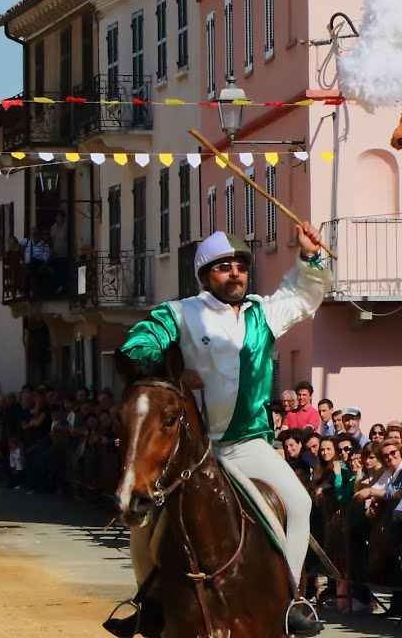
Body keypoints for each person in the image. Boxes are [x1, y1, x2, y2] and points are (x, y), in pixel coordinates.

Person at [105, 225, 330, 638]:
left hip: (247, 442)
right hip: (192, 446)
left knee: (298, 503)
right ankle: (146, 604)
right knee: (143, 521)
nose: (235, 274)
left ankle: (291, 601)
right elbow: (138, 343)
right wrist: (169, 367)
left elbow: (302, 296)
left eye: (241, 266)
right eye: (224, 267)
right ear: (206, 275)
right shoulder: (179, 313)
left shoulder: (263, 312)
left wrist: (310, 258)